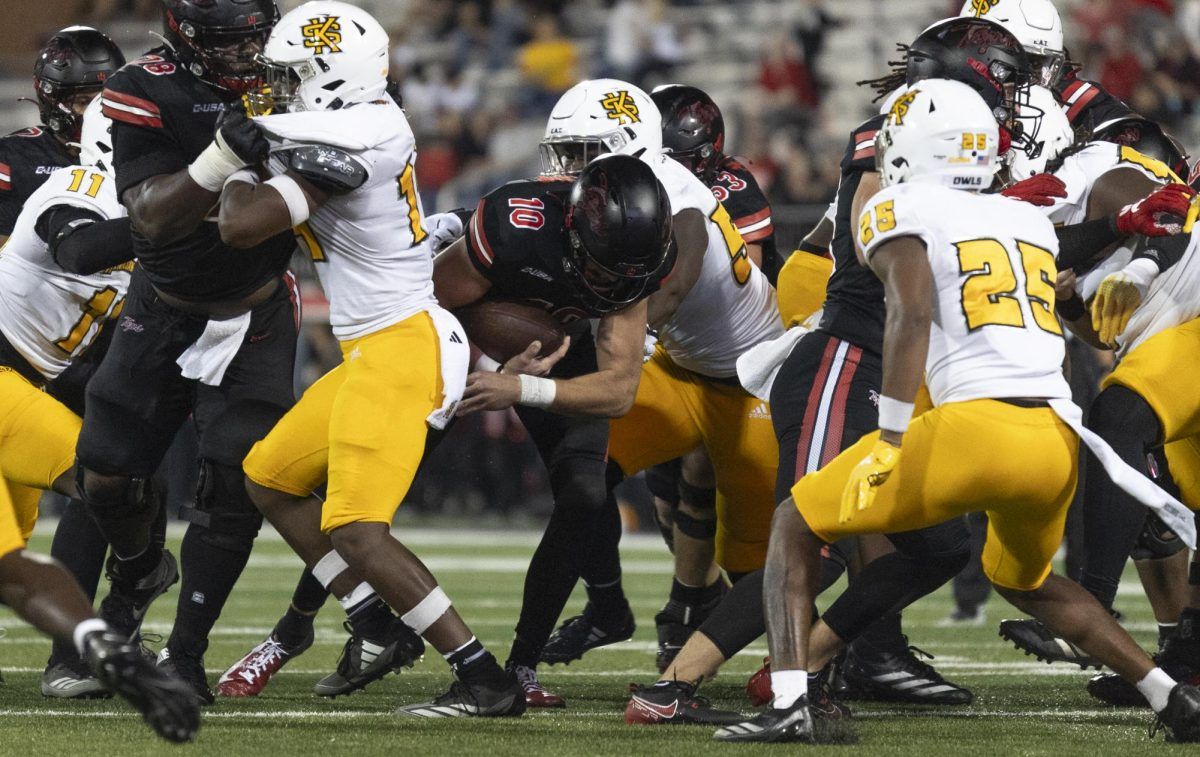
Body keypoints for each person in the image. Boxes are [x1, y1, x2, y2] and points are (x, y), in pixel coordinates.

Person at [715, 77, 1200, 745]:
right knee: (1026, 579)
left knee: (795, 523)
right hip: (1054, 441)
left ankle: (789, 703)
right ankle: (1168, 694)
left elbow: (911, 313)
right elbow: (1059, 249)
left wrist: (888, 435)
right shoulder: (1024, 217)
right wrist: (1120, 226)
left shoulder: (895, 205)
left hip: (973, 427)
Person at [81, 0, 300, 703]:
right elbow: (150, 214)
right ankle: (141, 567)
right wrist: (223, 157)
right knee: (108, 473)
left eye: (254, 39)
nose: (247, 55)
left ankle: (186, 650)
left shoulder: (300, 74)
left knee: (234, 482)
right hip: (164, 304)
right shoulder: (148, 86)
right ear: (185, 37)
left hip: (256, 307)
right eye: (227, 42)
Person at [0, 97, 200, 743]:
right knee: (102, 476)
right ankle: (122, 604)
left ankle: (110, 621)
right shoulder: (78, 183)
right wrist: (182, 220)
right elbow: (81, 247)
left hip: (24, 387)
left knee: (112, 475)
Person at [0, 26, 129, 698]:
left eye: (104, 93)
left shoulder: (136, 168)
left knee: (105, 488)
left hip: (83, 356)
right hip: (20, 353)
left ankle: (77, 653)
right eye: (82, 95)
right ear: (52, 98)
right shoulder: (18, 164)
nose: (94, 107)